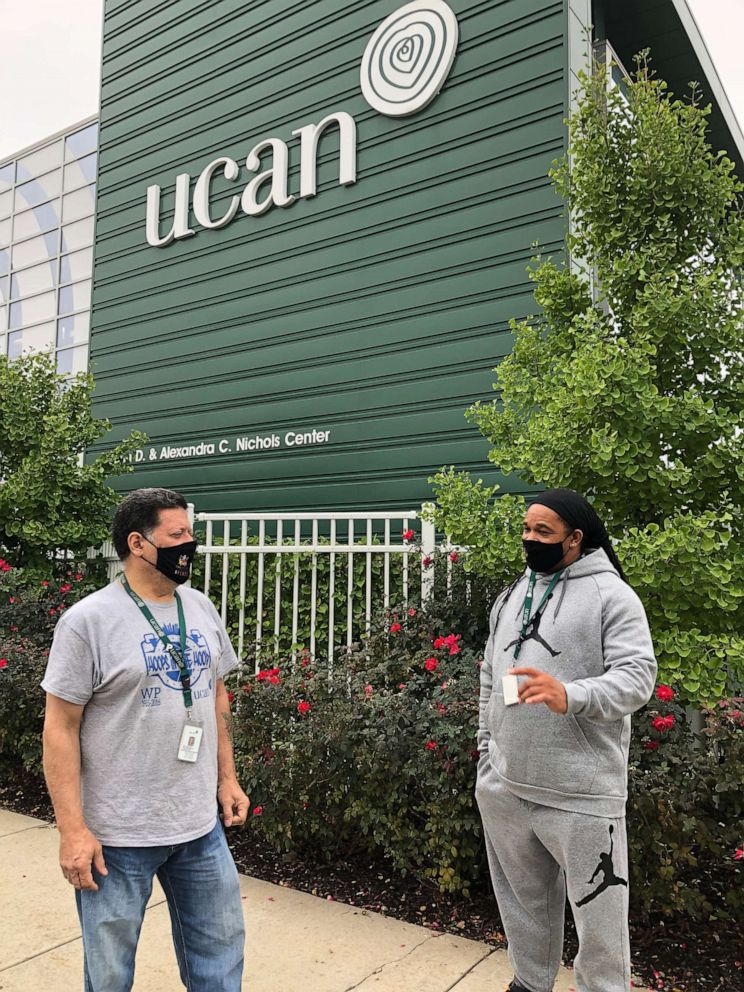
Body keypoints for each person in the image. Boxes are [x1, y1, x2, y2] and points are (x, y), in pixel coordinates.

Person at [41, 487, 249, 992]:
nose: (189, 545)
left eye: (190, 534)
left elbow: (214, 697)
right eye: (177, 535)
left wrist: (228, 778)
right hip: (117, 836)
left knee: (221, 961)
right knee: (110, 976)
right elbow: (59, 727)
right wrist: (72, 830)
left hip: (199, 828)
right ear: (138, 543)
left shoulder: (199, 607)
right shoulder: (88, 621)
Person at [475, 488, 657, 992]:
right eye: (527, 529)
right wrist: (486, 752)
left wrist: (570, 694)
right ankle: (530, 983)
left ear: (575, 539)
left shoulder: (612, 596)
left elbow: (638, 676)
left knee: (599, 919)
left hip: (580, 792)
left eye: (544, 532)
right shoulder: (513, 593)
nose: (530, 540)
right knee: (523, 904)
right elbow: (492, 673)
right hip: (506, 785)